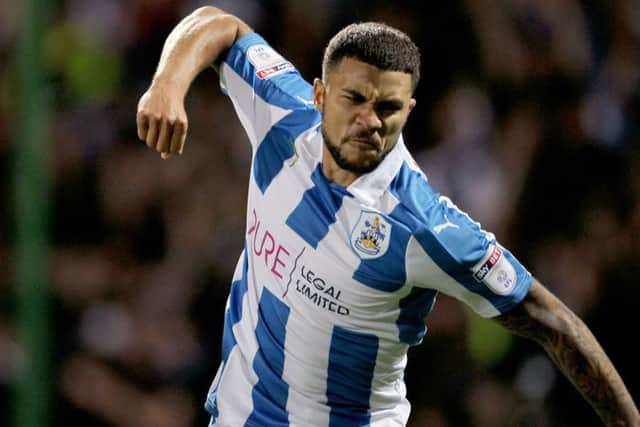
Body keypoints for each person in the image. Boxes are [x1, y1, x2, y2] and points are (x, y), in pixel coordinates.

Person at [136, 6, 640, 427]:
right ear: (319, 94)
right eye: (354, 99)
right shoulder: (282, 114)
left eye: (389, 107)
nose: (370, 121)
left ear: (409, 109)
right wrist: (166, 86)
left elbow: (550, 318)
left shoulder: (423, 227)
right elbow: (218, 24)